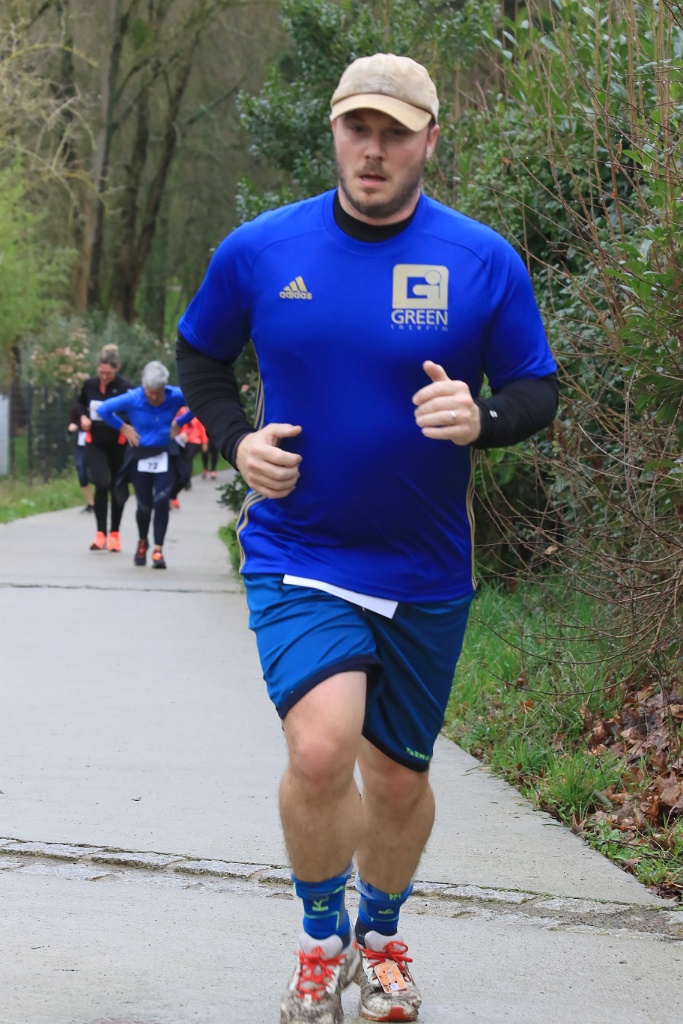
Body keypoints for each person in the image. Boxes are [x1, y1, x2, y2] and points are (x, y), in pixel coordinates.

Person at [177, 52, 559, 1024]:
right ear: (334, 132)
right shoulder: (261, 249)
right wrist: (235, 439)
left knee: (396, 777)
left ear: (430, 139)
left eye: (395, 132)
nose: (374, 149)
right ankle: (320, 941)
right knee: (319, 749)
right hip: (298, 550)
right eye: (358, 128)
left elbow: (534, 386)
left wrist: (482, 419)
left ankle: (379, 937)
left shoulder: (480, 259)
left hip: (425, 563)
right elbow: (200, 353)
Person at [96, 361, 194, 570]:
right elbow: (103, 409)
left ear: (164, 387)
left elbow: (200, 401)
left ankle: (158, 550)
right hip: (140, 455)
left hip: (164, 453)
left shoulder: (175, 395)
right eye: (150, 392)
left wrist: (180, 422)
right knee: (144, 506)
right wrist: (123, 428)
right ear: (144, 386)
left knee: (161, 501)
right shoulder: (134, 397)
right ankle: (142, 542)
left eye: (158, 393)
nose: (154, 397)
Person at [74, 344, 133, 551]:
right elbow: (79, 404)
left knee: (118, 487)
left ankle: (114, 533)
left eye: (108, 373)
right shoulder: (90, 385)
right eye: (101, 372)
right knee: (101, 484)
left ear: (116, 369)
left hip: (118, 443)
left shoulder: (125, 387)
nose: (104, 376)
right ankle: (100, 533)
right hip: (95, 442)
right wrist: (82, 417)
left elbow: (132, 412)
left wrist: (118, 421)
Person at [67, 402, 94, 513]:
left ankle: (101, 499)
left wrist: (78, 424)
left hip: (94, 445)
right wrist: (71, 429)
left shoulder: (96, 406)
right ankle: (90, 504)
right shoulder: (77, 407)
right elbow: (72, 424)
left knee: (93, 475)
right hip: (80, 446)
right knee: (82, 473)